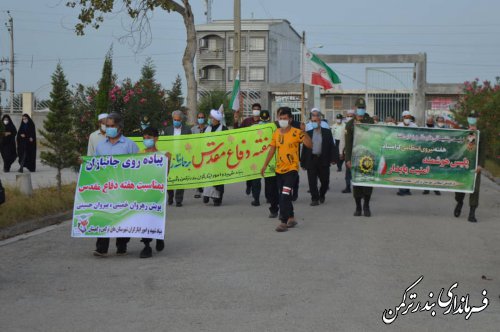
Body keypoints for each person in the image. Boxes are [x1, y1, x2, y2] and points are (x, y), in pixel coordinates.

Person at [93, 112, 139, 257]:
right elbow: (95, 166)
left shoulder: (129, 145)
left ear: (120, 127)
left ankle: (122, 244)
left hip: (124, 188)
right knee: (104, 216)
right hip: (106, 188)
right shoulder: (100, 146)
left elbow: (139, 165)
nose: (109, 128)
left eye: (112, 126)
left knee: (122, 216)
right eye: (107, 126)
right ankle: (101, 248)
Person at [261, 107, 312, 232]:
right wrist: (264, 165)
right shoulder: (276, 133)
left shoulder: (296, 132)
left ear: (290, 119)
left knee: (284, 195)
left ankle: (283, 221)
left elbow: (309, 145)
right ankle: (291, 217)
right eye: (280, 118)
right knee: (285, 195)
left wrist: (304, 132)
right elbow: (272, 149)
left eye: (285, 118)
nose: (282, 120)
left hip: (292, 170)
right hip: (279, 170)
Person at [139, 126, 171, 258]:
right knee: (144, 218)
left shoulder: (164, 155)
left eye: (149, 138)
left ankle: (159, 235)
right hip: (142, 192)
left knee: (155, 216)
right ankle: (146, 246)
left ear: (156, 139)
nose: (147, 140)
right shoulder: (139, 155)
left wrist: (167, 161)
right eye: (144, 138)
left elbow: (166, 174)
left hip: (157, 192)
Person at [344, 97, 375, 217]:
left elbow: (373, 136)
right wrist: (347, 159)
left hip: (368, 156)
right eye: (359, 108)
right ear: (355, 108)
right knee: (357, 183)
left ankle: (366, 205)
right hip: (355, 156)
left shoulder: (370, 121)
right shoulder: (350, 124)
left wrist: (362, 125)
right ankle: (358, 206)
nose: (361, 110)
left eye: (363, 108)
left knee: (367, 182)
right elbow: (348, 142)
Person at [301, 111, 338, 206]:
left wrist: (334, 158)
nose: (314, 122)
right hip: (311, 159)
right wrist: (303, 162)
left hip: (323, 159)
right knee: (312, 182)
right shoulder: (308, 133)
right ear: (310, 121)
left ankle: (322, 194)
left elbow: (332, 146)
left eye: (316, 120)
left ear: (320, 121)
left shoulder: (327, 132)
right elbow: (304, 148)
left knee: (325, 181)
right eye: (313, 120)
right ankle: (314, 199)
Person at [454, 111, 485, 223]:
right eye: (470, 117)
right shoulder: (462, 132)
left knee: (474, 190)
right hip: (462, 164)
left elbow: (483, 150)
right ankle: (459, 202)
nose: (472, 119)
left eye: (474, 117)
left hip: (475, 165)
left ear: (477, 119)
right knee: (460, 187)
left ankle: (472, 213)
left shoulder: (481, 133)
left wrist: (480, 164)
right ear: (467, 119)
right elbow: (456, 146)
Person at [234, 103, 263, 205]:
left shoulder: (263, 123)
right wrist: (236, 121)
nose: (256, 111)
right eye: (254, 109)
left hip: (259, 153)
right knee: (249, 175)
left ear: (260, 110)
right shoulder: (246, 122)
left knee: (256, 178)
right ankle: (248, 184)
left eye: (258, 109)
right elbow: (238, 133)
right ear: (252, 110)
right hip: (247, 153)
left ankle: (256, 199)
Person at [165, 110, 191, 207]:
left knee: (180, 179)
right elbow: (164, 144)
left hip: (182, 158)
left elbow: (190, 144)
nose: (176, 121)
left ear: (181, 120)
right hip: (170, 157)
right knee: (169, 178)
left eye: (178, 120)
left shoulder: (187, 130)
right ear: (172, 119)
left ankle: (179, 199)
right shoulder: (167, 130)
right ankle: (170, 196)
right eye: (174, 120)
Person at [202, 109, 228, 206]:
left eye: (211, 118)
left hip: (219, 159)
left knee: (218, 179)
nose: (210, 119)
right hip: (207, 158)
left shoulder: (224, 129)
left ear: (216, 119)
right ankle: (206, 195)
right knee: (207, 177)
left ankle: (217, 198)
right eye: (210, 117)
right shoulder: (206, 129)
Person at [397, 110, 418, 196]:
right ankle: (401, 189)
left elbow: (418, 137)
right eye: (406, 117)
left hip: (410, 151)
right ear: (403, 118)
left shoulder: (414, 126)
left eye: (409, 117)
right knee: (401, 170)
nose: (408, 119)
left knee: (409, 170)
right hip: (401, 151)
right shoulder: (399, 126)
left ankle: (407, 189)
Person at [423, 116, 441, 195]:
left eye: (431, 122)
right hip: (425, 153)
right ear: (426, 122)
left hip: (435, 152)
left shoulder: (438, 129)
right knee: (426, 171)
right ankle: (426, 189)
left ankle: (436, 188)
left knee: (435, 171)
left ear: (433, 122)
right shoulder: (423, 129)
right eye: (428, 122)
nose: (429, 123)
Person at [191, 112, 207, 198]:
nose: (201, 119)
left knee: (205, 171)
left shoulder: (209, 128)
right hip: (196, 153)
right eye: (199, 117)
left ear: (205, 118)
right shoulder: (193, 129)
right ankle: (197, 190)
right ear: (197, 118)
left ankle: (205, 190)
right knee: (197, 172)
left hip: (206, 153)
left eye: (202, 117)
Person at [341, 109, 355, 193]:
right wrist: (341, 152)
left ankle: (359, 189)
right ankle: (348, 187)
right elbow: (342, 140)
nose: (349, 117)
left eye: (351, 116)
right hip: (348, 151)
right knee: (348, 170)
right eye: (348, 116)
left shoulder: (358, 126)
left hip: (357, 151)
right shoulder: (344, 126)